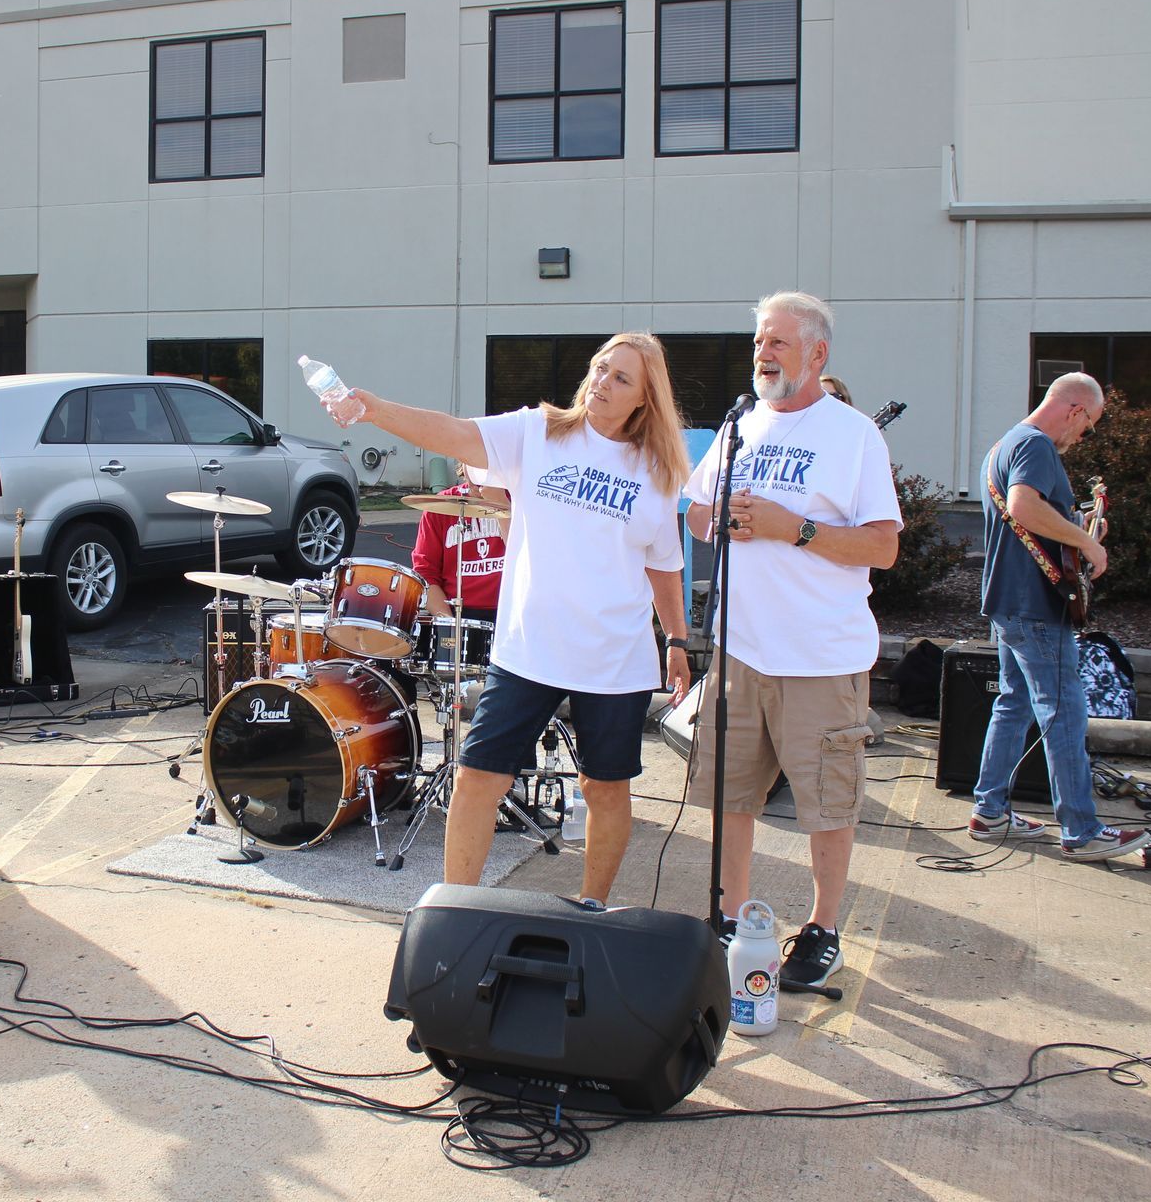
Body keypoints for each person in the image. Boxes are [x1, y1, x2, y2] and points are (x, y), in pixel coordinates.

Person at [336, 333, 694, 908]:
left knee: (604, 787)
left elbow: (664, 568)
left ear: (645, 400)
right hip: (528, 651)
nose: (603, 382)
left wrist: (676, 640)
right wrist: (375, 409)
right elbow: (454, 433)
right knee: (479, 776)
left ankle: (591, 906)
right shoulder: (540, 431)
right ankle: (455, 909)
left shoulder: (657, 471)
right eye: (601, 368)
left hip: (615, 660)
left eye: (622, 378)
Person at [683, 292, 901, 990]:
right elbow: (694, 515)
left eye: (778, 342)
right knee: (732, 797)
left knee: (826, 805)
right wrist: (720, 517)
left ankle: (823, 927)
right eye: (758, 342)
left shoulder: (853, 435)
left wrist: (792, 527)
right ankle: (732, 919)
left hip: (822, 657)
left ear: (817, 354)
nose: (763, 353)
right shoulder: (741, 425)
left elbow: (883, 547)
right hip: (740, 650)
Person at [971, 373, 1146, 861]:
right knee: (1064, 711)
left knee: (1014, 704)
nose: (1082, 436)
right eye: (1087, 425)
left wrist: (1076, 527)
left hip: (1008, 601)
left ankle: (988, 811)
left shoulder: (1004, 445)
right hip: (1036, 606)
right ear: (1074, 410)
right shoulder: (1038, 446)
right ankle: (1081, 830)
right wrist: (1087, 541)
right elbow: (1026, 504)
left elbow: (1029, 515)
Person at [410, 463, 509, 623]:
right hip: (456, 612)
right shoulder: (440, 507)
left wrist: (499, 502)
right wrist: (448, 623)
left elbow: (533, 563)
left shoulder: (523, 502)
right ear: (463, 464)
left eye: (488, 463)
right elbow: (426, 574)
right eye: (474, 462)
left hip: (512, 612)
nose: (482, 473)